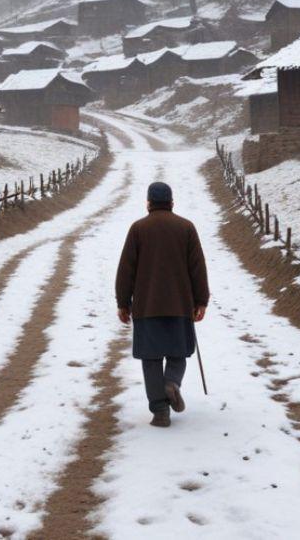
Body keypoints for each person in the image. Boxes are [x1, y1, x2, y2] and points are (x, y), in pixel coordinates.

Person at [115, 181, 210, 427]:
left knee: (151, 358)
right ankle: (171, 384)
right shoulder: (186, 228)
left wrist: (123, 302)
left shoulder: (138, 229)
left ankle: (160, 411)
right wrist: (201, 300)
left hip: (147, 306)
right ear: (171, 202)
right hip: (180, 305)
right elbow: (197, 268)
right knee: (178, 352)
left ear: (148, 203)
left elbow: (126, 269)